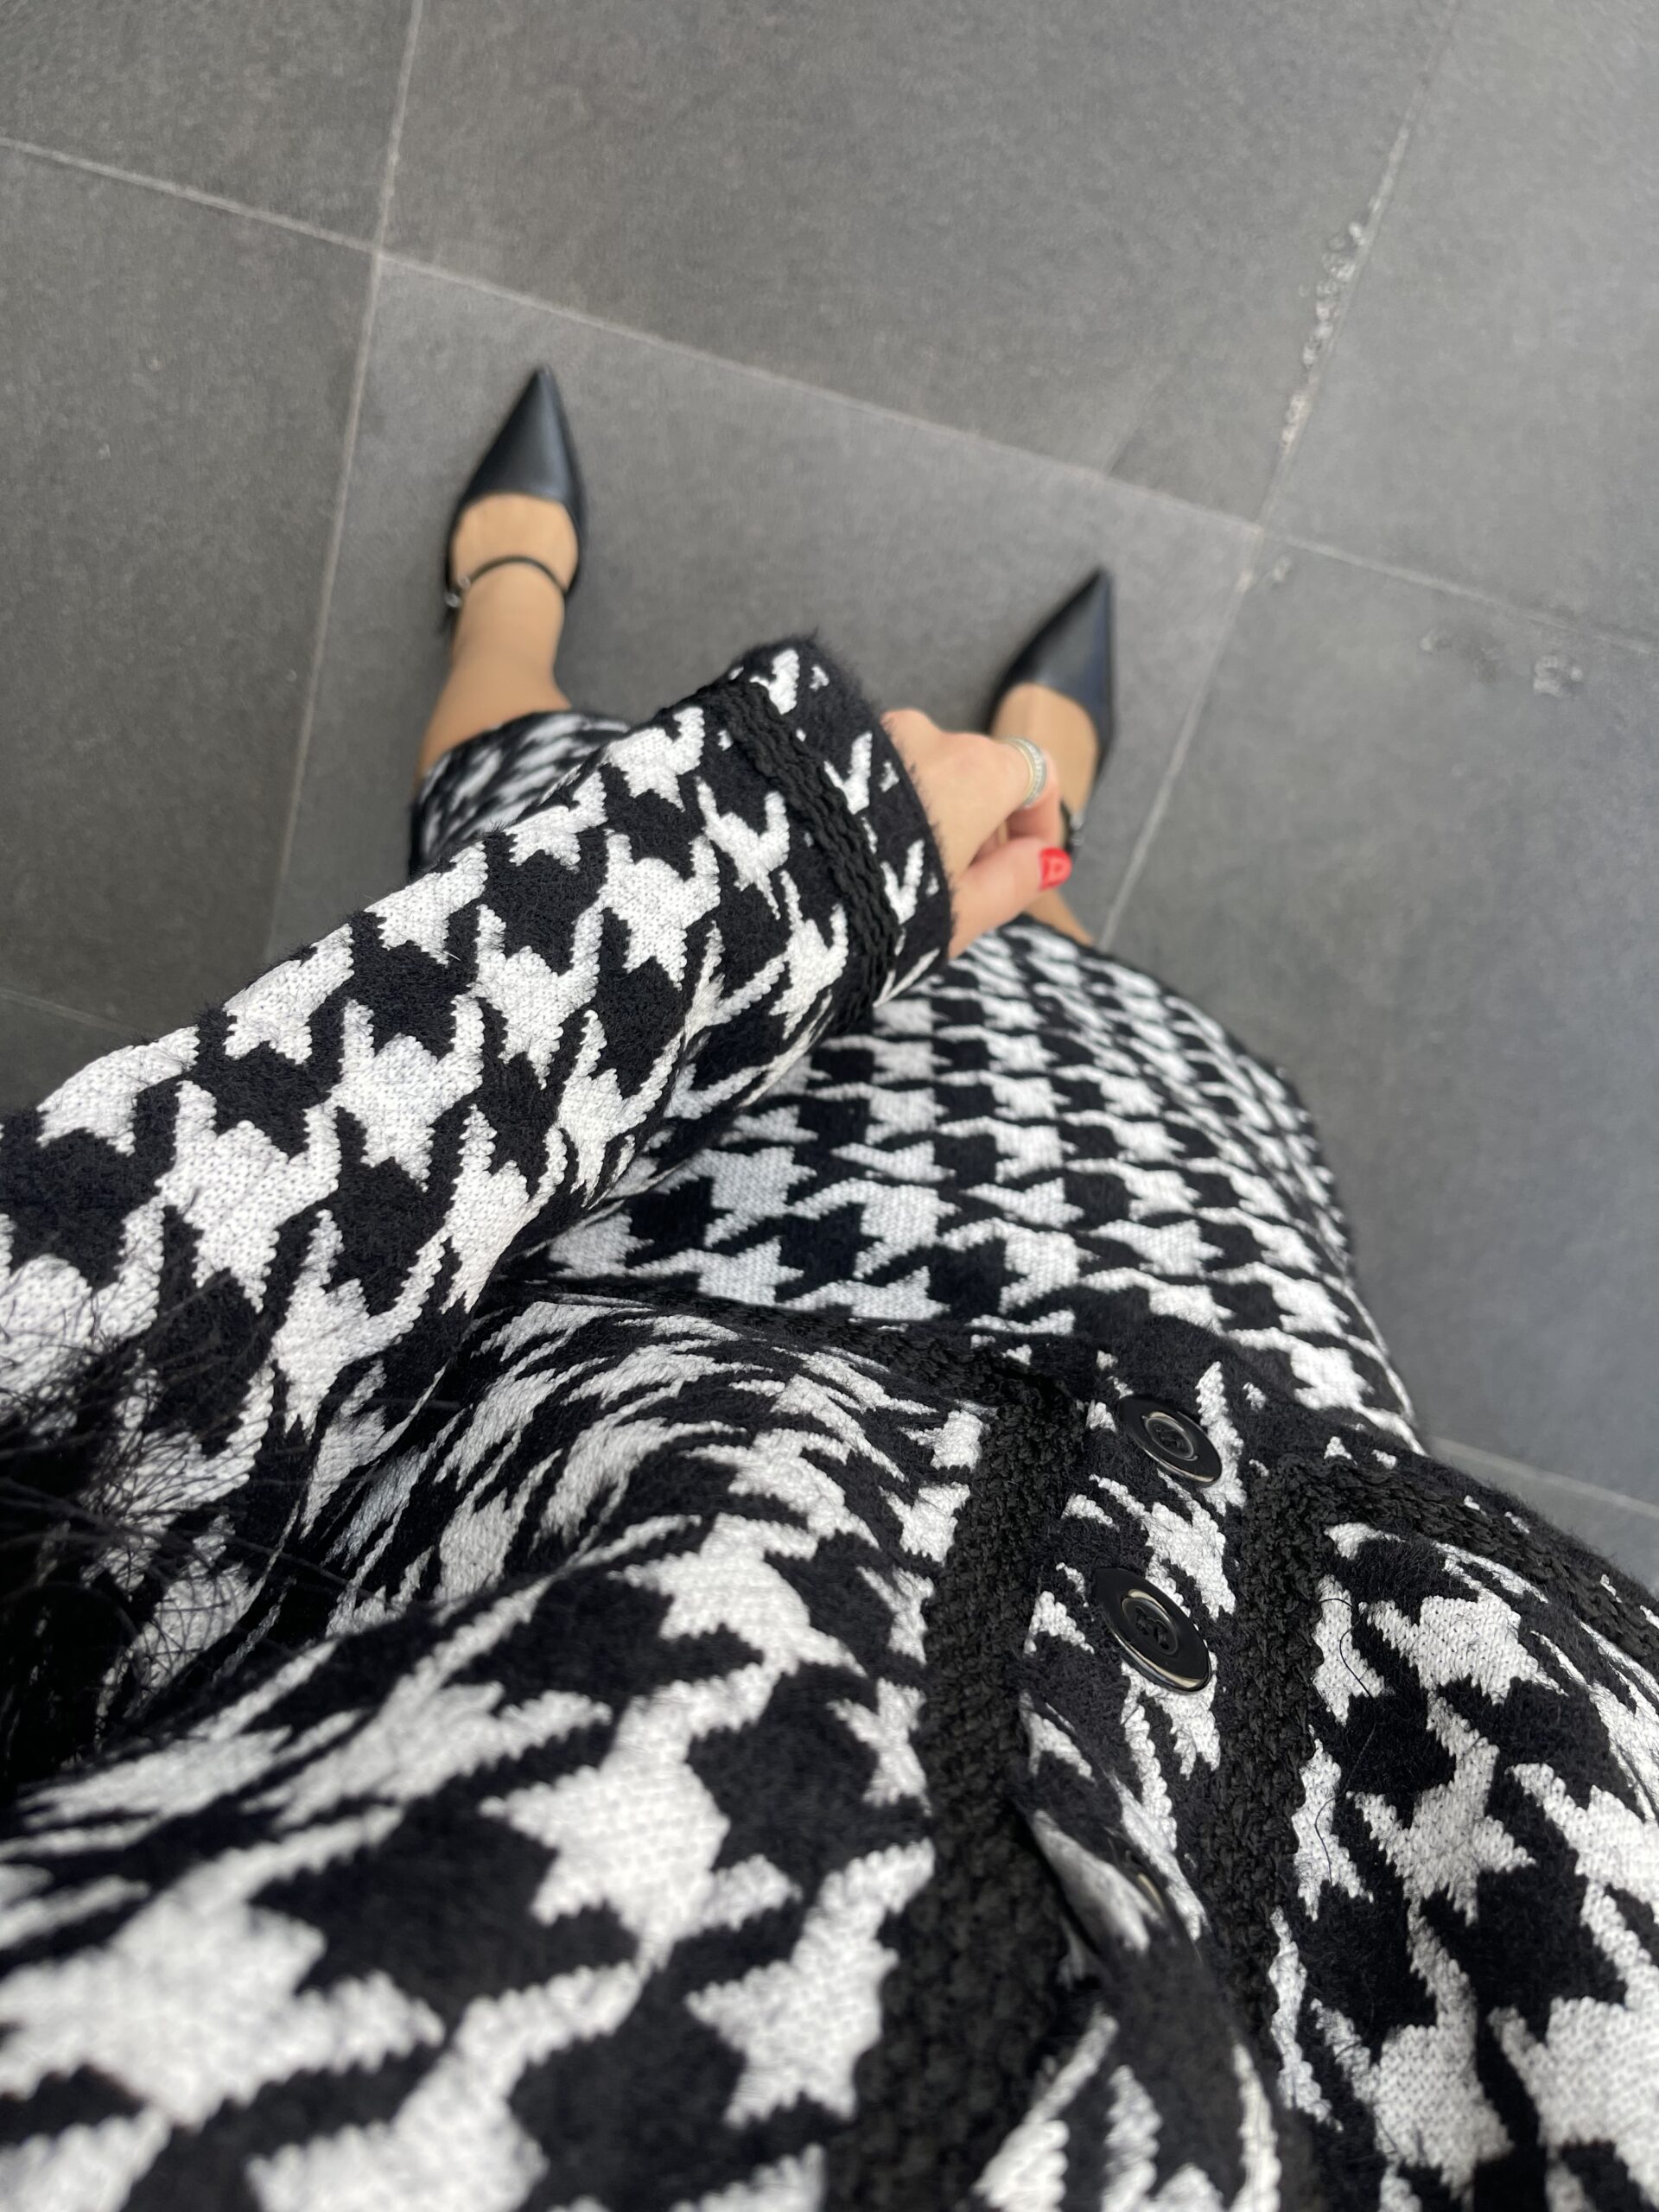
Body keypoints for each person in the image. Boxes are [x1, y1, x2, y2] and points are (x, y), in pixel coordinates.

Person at [0, 368, 1652, 2212]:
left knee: (531, 780)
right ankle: (1040, 819)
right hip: (1271, 1439)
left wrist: (754, 875)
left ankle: (510, 613)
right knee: (1094, 1024)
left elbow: (85, 1345)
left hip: (683, 1319)